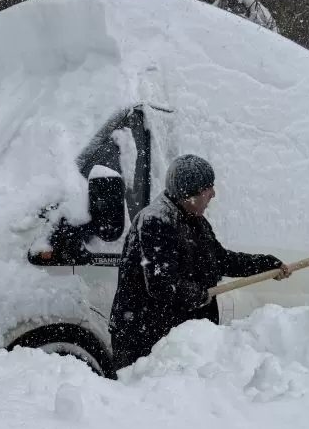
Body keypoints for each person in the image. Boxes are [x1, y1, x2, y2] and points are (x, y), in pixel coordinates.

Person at [108, 154, 291, 373]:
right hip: (146, 341)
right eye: (208, 188)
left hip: (174, 340)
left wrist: (265, 264)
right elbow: (161, 284)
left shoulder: (195, 221)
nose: (213, 194)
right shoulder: (156, 221)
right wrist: (200, 294)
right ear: (189, 193)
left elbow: (221, 260)